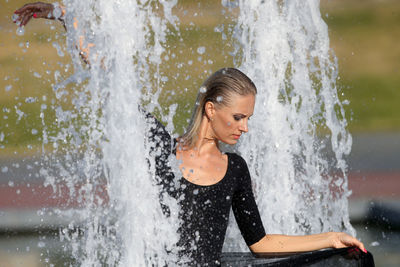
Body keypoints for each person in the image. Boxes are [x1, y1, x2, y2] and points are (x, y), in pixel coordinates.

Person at [14, 3, 367, 266]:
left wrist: (330, 237)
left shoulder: (235, 170)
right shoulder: (161, 149)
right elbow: (110, 80)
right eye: (239, 117)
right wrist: (64, 14)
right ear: (212, 110)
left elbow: (260, 243)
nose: (245, 127)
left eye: (248, 118)